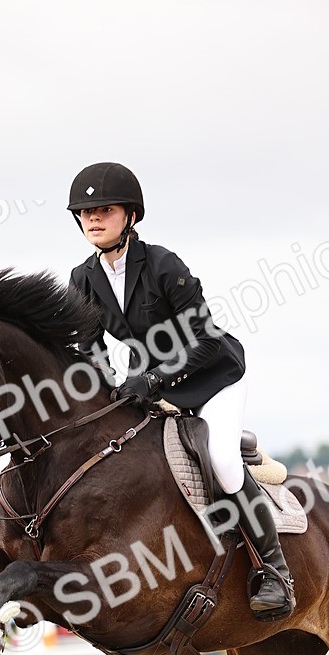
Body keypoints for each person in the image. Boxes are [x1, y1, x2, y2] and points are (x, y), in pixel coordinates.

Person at [66, 161, 295, 620]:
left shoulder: (162, 264)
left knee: (223, 461)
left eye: (104, 210)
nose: (94, 218)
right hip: (148, 382)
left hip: (211, 376)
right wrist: (104, 389)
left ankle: (274, 571)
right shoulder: (83, 278)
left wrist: (153, 379)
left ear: (130, 215)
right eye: (86, 212)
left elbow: (205, 339)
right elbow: (90, 348)